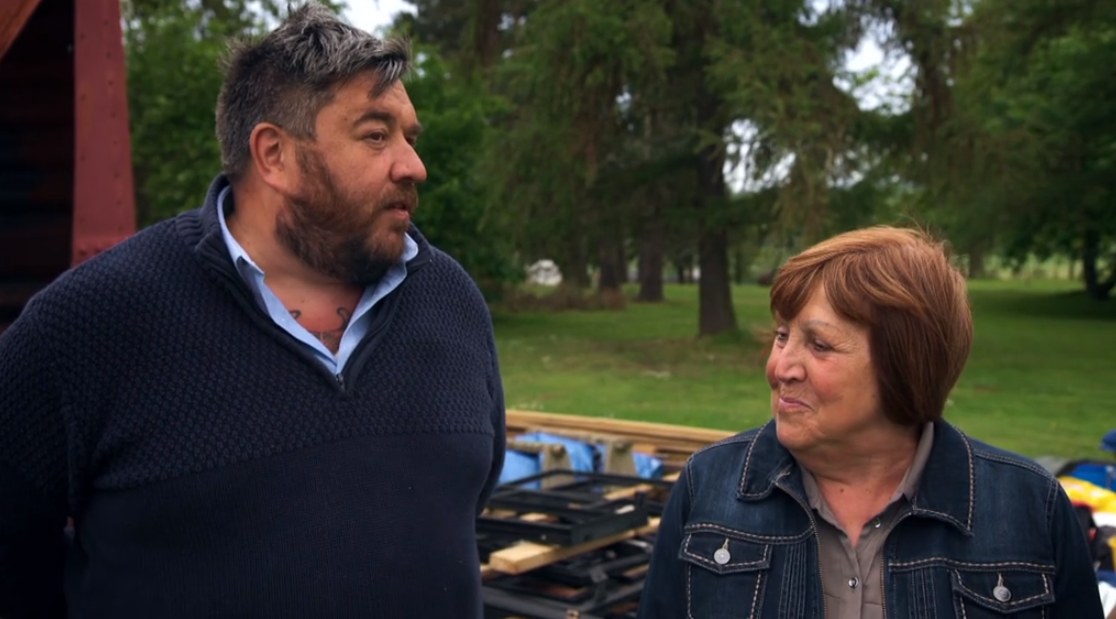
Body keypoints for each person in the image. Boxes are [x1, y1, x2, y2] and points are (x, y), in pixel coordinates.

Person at [0, 3, 506, 618]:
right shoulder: (90, 323)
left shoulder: (452, 303)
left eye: (409, 138)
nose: (413, 165)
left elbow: (458, 509)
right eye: (376, 135)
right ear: (273, 155)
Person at [638, 226, 1104, 618]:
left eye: (819, 345)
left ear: (905, 364)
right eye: (783, 336)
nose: (781, 367)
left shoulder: (1030, 508)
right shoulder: (707, 487)